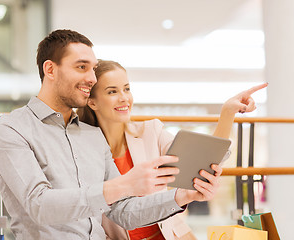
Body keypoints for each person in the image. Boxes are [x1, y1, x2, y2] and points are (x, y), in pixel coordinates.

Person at [0, 29, 224, 240]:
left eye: (92, 68)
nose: (92, 78)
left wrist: (183, 196)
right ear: (50, 69)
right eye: (82, 67)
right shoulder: (11, 129)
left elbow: (122, 212)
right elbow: (39, 205)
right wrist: (123, 184)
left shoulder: (92, 135)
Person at [77, 60, 268, 240]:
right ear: (92, 102)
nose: (124, 98)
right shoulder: (81, 149)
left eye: (127, 89)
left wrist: (227, 113)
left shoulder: (151, 131)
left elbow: (203, 160)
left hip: (168, 235)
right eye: (112, 92)